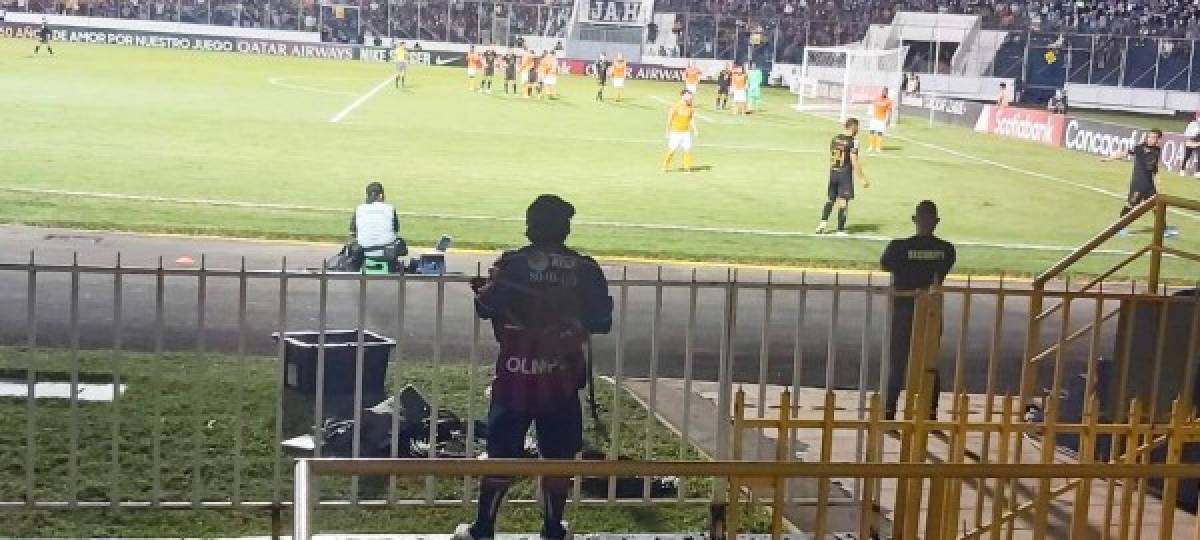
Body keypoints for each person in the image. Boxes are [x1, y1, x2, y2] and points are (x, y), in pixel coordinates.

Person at [454, 195, 613, 540]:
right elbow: (602, 320)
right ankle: (553, 528)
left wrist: (484, 291)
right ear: (566, 228)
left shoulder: (512, 264)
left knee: (501, 453)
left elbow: (486, 307)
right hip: (563, 376)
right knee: (558, 455)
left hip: (515, 375)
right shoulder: (585, 268)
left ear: (529, 227)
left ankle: (484, 527)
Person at [880, 200, 956, 421]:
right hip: (931, 312)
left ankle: (889, 412)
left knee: (897, 362)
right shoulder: (946, 250)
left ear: (915, 220)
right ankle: (929, 413)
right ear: (937, 222)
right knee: (929, 363)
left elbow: (885, 264)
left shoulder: (898, 248)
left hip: (904, 308)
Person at [1104, 128, 1179, 238]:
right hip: (1138, 184)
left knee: (1157, 207)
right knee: (1130, 206)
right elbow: (1124, 153)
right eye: (1149, 136)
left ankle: (1163, 230)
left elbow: (1154, 169)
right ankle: (1120, 227)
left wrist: (1158, 185)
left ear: (1158, 139)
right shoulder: (1139, 148)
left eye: (1153, 137)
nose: (1150, 139)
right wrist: (1110, 158)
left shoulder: (1157, 150)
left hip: (1149, 185)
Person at [816, 118, 870, 235]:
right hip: (844, 174)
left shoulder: (835, 139)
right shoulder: (854, 142)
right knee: (843, 202)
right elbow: (854, 161)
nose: (859, 130)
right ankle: (840, 230)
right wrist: (862, 178)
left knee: (831, 199)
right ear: (853, 128)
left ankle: (822, 224)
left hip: (833, 172)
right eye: (858, 127)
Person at [347, 182, 405, 272]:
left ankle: (356, 266)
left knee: (352, 242)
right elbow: (396, 229)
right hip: (388, 252)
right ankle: (393, 265)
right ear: (381, 196)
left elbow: (352, 231)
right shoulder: (390, 208)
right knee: (399, 242)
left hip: (363, 251)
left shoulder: (360, 208)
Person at [663, 89, 698, 173]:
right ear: (682, 96)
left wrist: (695, 129)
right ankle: (665, 165)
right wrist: (667, 131)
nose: (689, 97)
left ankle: (687, 168)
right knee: (672, 150)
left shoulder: (691, 107)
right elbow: (670, 119)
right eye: (687, 95)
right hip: (675, 132)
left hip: (686, 132)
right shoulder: (675, 106)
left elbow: (691, 119)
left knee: (687, 149)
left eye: (690, 95)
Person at [867, 88, 894, 153]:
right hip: (874, 118)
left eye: (885, 92)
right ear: (882, 92)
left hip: (882, 119)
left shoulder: (889, 101)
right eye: (883, 91)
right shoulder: (877, 98)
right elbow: (871, 103)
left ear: (887, 93)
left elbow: (890, 111)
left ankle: (878, 148)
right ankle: (871, 146)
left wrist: (889, 120)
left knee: (880, 133)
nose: (884, 93)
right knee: (871, 131)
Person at [1183, 113, 1200, 177]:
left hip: (1198, 142)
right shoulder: (1192, 124)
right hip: (1191, 142)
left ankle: (1198, 172)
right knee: (1187, 156)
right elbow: (1187, 133)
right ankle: (1182, 169)